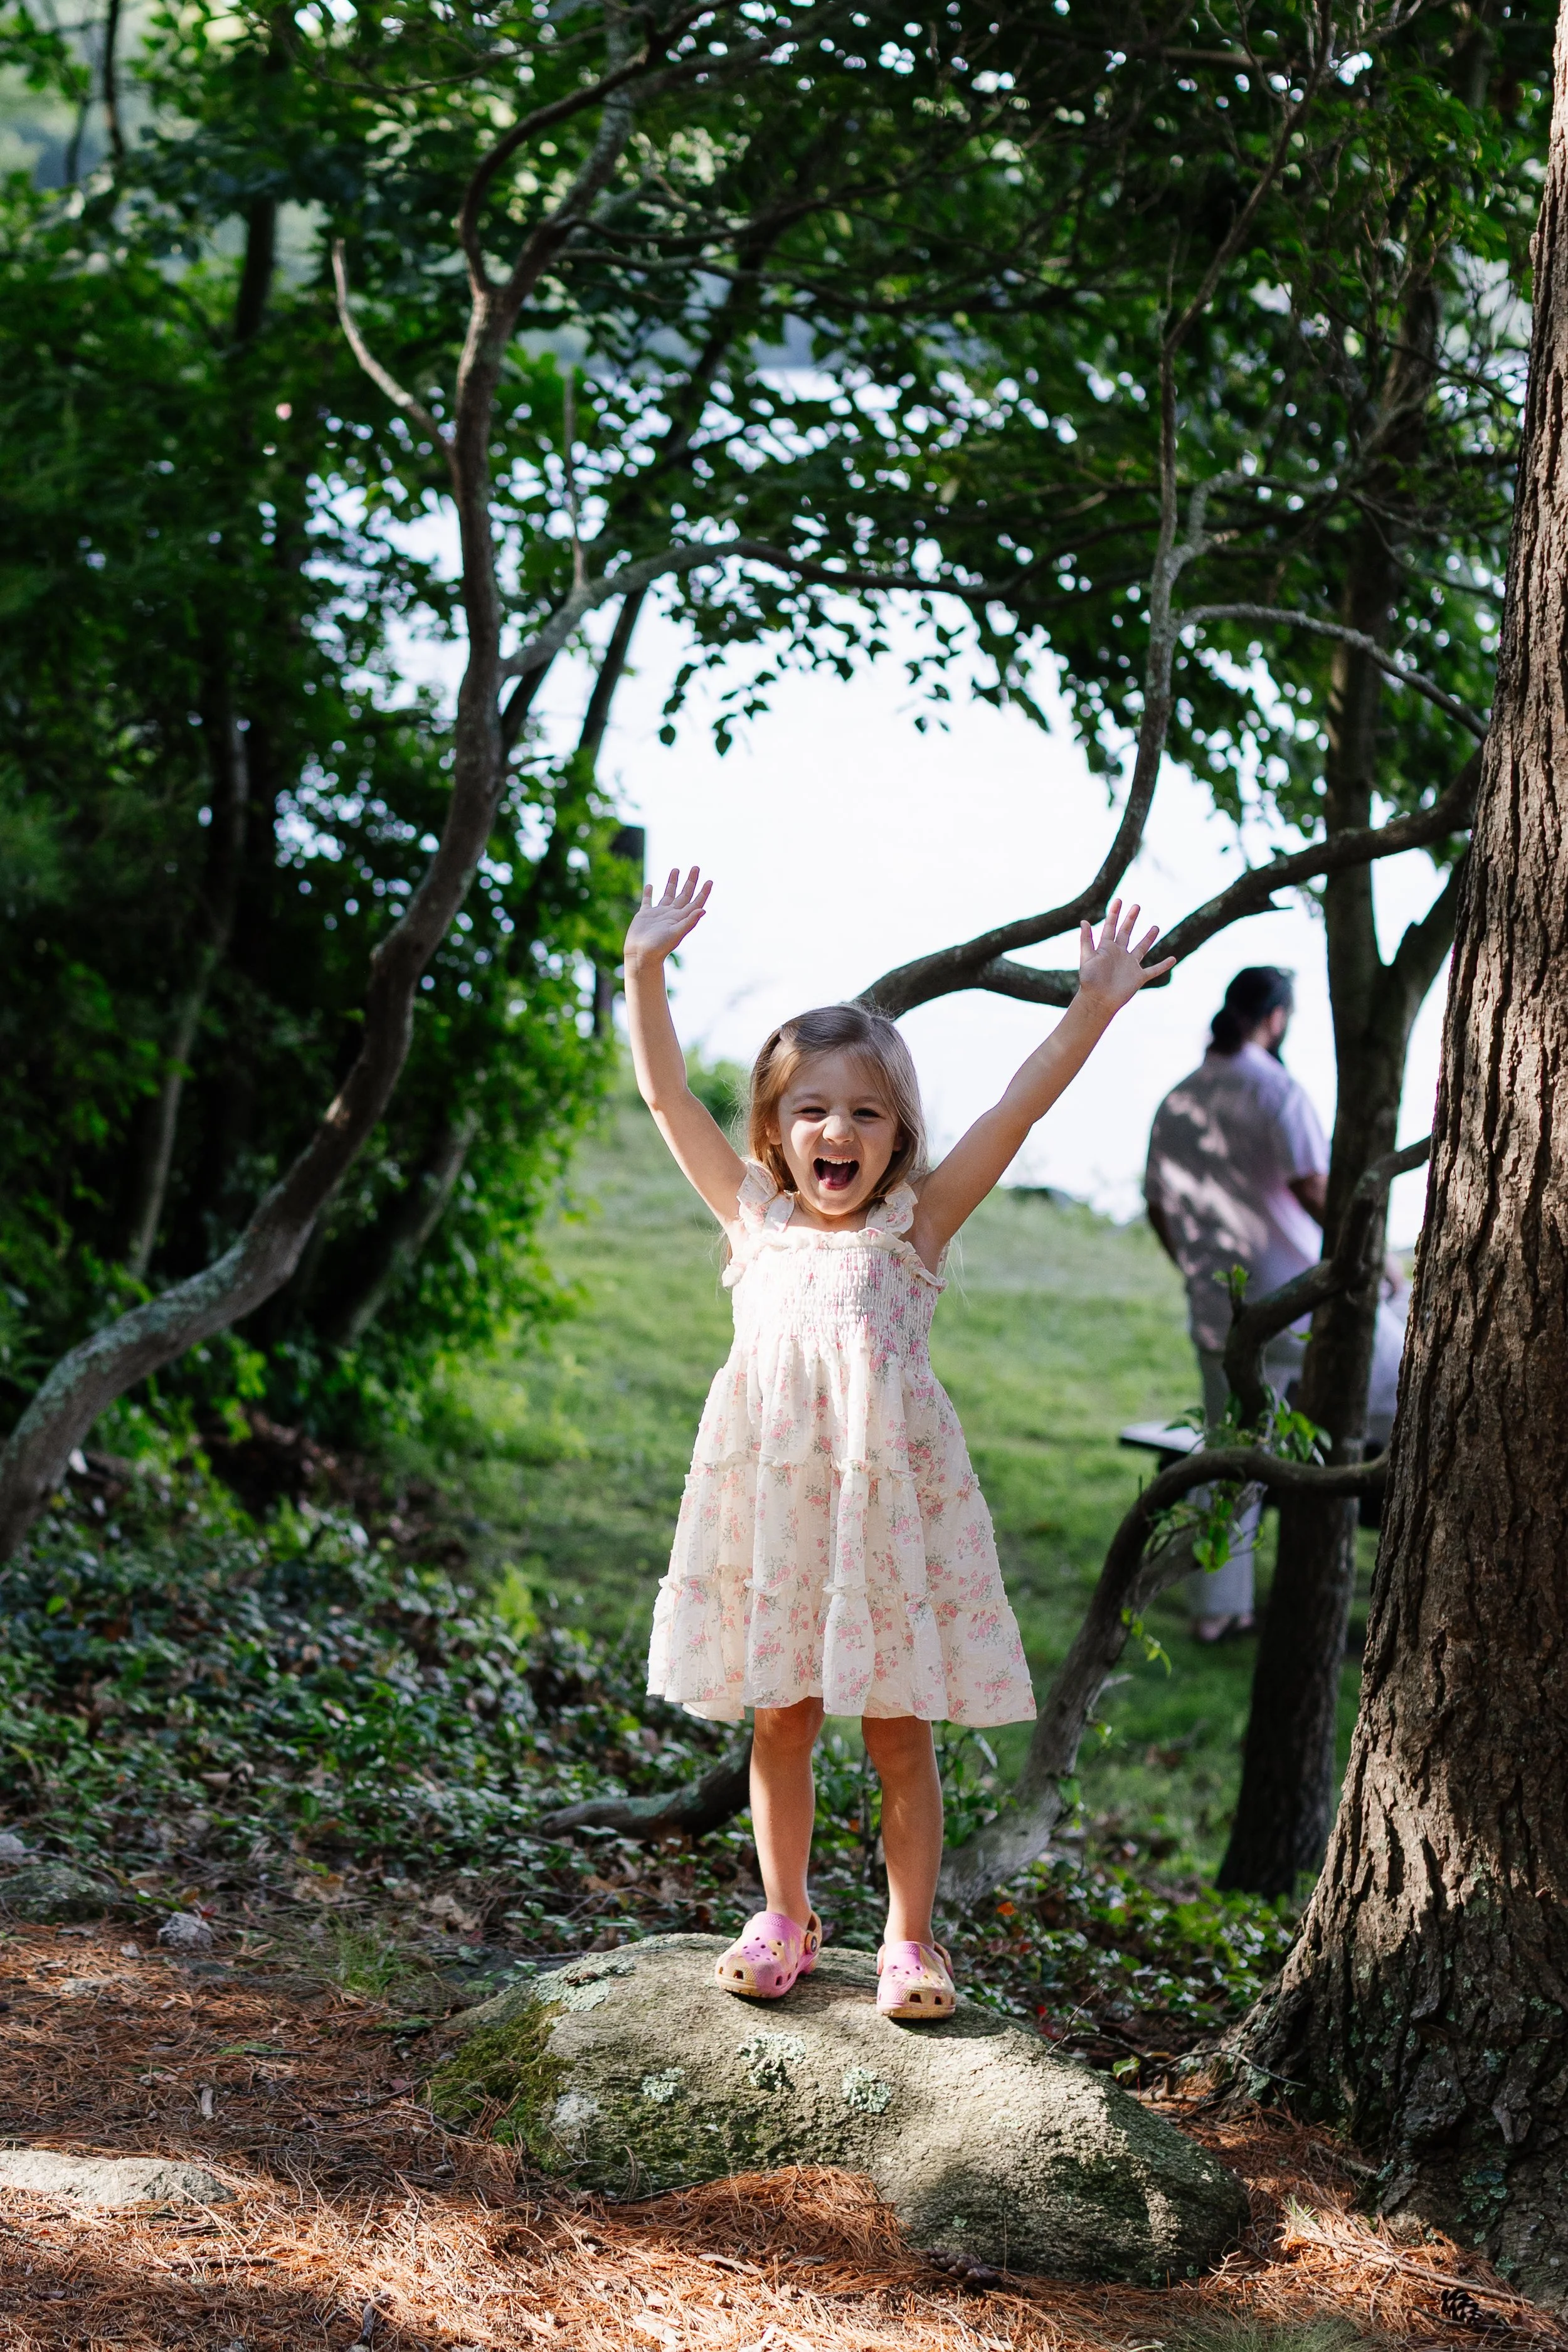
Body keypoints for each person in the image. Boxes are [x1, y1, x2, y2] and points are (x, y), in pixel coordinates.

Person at [625, 870, 1173, 2019]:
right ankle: (783, 1917)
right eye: (812, 1109)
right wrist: (645, 971)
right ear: (775, 1129)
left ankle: (910, 1943)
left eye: (867, 1114)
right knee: (780, 1716)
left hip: (884, 1525)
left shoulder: (913, 1229)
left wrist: (1093, 1007)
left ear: (897, 1138)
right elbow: (671, 1098)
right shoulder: (752, 1221)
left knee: (897, 1732)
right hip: (780, 1519)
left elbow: (1013, 1113)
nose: (839, 1131)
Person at [1145, 967, 1405, 1642]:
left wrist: (1197, 1268)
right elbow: (1316, 1189)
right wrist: (1375, 1265)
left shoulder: (1175, 1101)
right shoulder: (1276, 1091)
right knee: (1414, 1388)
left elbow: (1156, 1205)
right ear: (1277, 1018)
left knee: (1230, 1452)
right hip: (1297, 1307)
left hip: (1220, 1312)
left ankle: (1218, 1613)